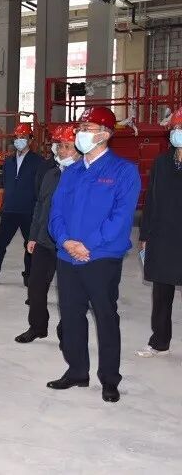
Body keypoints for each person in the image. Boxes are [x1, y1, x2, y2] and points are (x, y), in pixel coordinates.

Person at [47, 106, 140, 403]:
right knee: (71, 316)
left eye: (87, 128)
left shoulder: (123, 171)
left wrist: (88, 245)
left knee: (105, 317)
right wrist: (65, 241)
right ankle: (77, 371)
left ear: (105, 134)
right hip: (67, 256)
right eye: (80, 128)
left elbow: (121, 217)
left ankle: (109, 379)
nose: (80, 133)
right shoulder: (72, 171)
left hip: (101, 257)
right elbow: (56, 212)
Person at [15, 125, 80, 344]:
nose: (62, 151)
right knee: (36, 287)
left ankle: (67, 330)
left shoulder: (83, 177)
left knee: (69, 292)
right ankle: (37, 326)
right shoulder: (50, 174)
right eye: (59, 146)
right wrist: (33, 236)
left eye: (67, 146)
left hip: (69, 243)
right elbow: (40, 206)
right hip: (44, 240)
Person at [135, 107, 182, 358]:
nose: (177, 132)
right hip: (163, 236)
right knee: (162, 293)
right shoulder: (162, 163)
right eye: (175, 128)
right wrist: (144, 235)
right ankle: (159, 341)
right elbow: (150, 202)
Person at [0, 123, 42, 287]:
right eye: (17, 137)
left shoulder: (38, 162)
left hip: (28, 210)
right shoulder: (8, 162)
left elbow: (40, 187)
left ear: (30, 140)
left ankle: (29, 276)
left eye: (23, 137)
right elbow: (7, 183)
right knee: (0, 244)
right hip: (9, 209)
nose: (19, 140)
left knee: (30, 245)